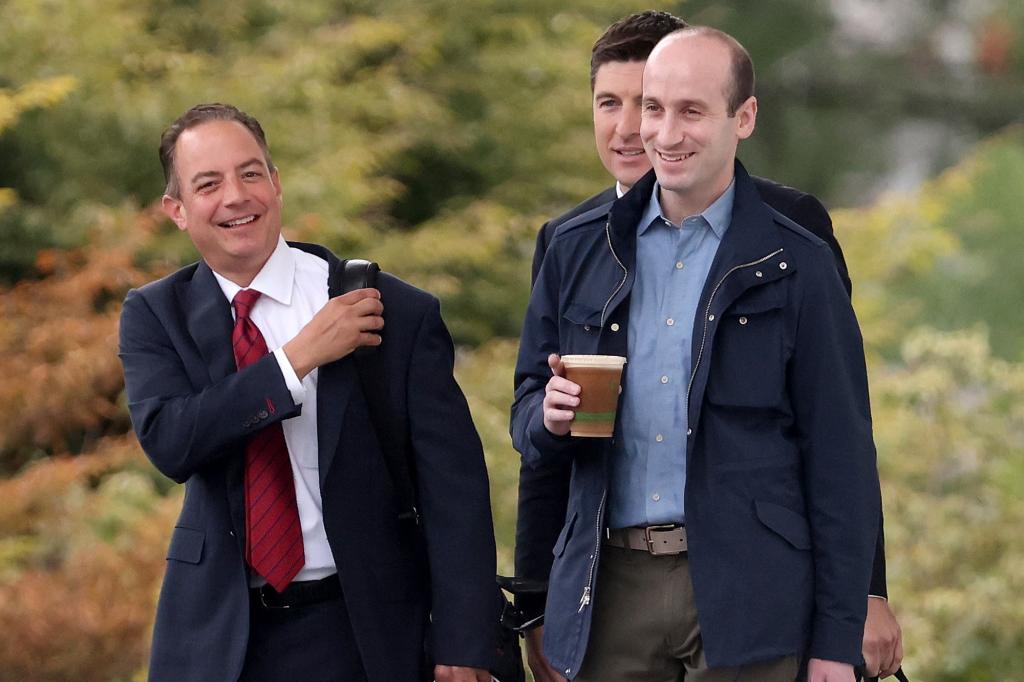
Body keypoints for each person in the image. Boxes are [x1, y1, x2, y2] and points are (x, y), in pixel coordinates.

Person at [515, 12, 902, 681]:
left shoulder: (796, 257)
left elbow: (840, 452)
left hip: (755, 590)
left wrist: (842, 632)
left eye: (689, 111)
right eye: (649, 109)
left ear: (743, 118)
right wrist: (548, 420)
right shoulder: (575, 247)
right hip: (609, 589)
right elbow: (529, 428)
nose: (661, 132)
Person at [119, 103, 496, 682]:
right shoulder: (153, 315)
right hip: (220, 637)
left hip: (360, 626)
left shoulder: (392, 310)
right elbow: (173, 442)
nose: (236, 197)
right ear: (177, 210)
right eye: (208, 184)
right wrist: (298, 358)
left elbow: (456, 490)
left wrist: (464, 641)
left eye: (250, 174)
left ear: (276, 183)